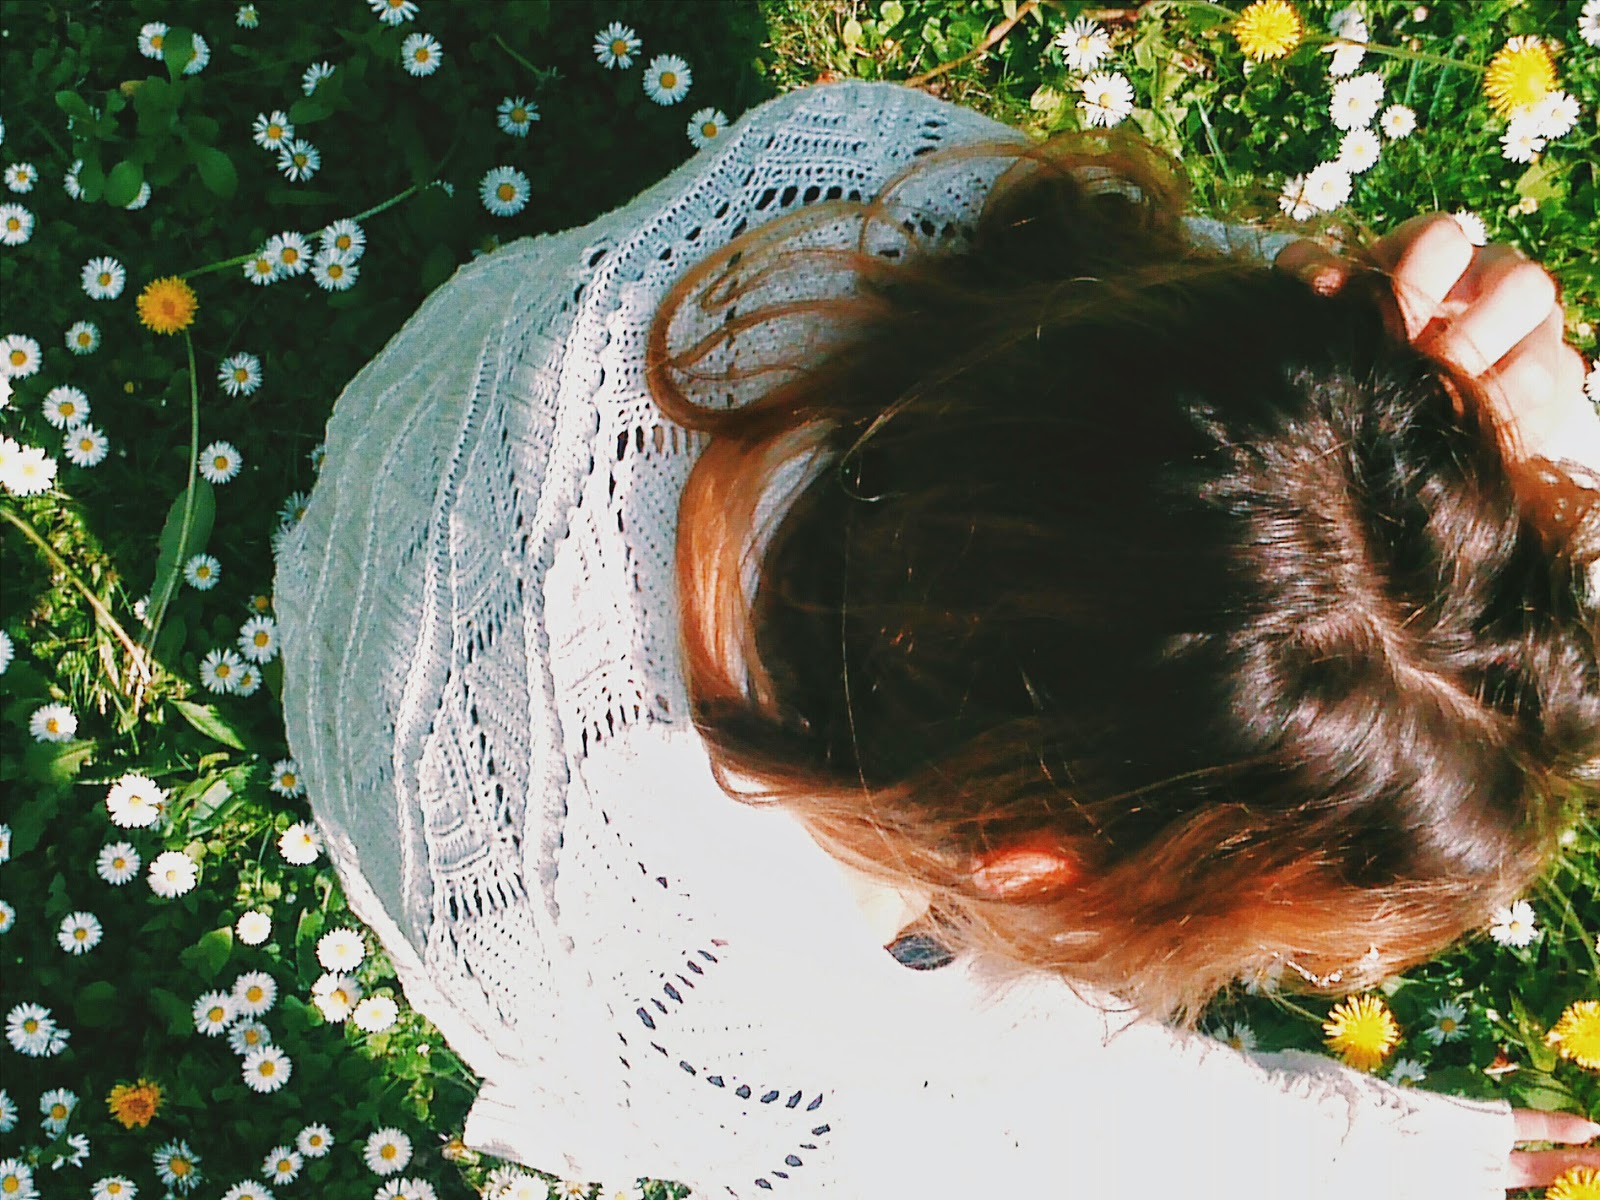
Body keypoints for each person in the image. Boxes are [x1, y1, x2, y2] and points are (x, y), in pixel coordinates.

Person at [273, 79, 1600, 1198]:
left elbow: (1264, 484)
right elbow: (1044, 1130)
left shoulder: (909, 198)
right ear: (1021, 870)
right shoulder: (708, 985)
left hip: (473, 431)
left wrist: (1505, 449)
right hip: (444, 741)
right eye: (1294, 948)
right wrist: (1368, 1151)